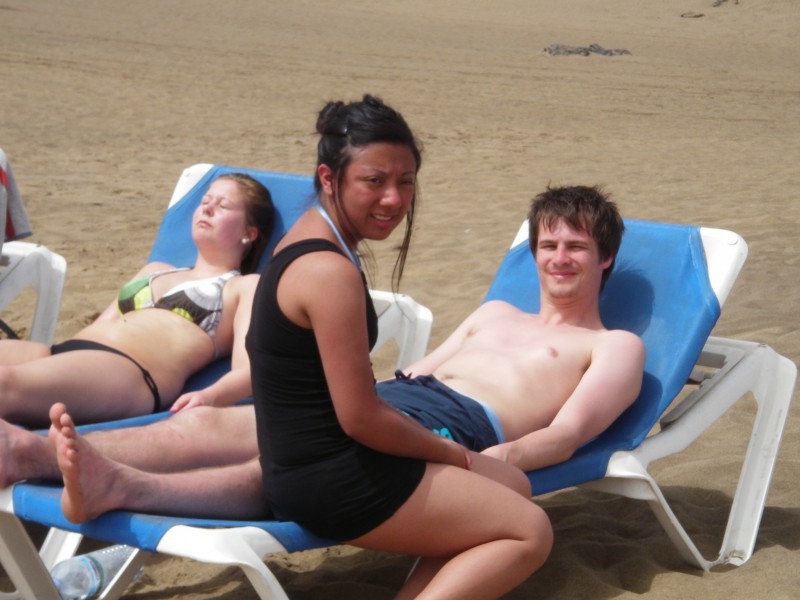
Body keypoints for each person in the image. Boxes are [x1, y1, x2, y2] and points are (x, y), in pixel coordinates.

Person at [0, 173, 274, 425]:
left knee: (4, 384)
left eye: (223, 205)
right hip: (67, 354)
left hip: (128, 372)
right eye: (205, 201)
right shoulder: (155, 269)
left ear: (249, 233)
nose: (207, 208)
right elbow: (99, 325)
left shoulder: (243, 286)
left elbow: (250, 369)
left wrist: (210, 397)